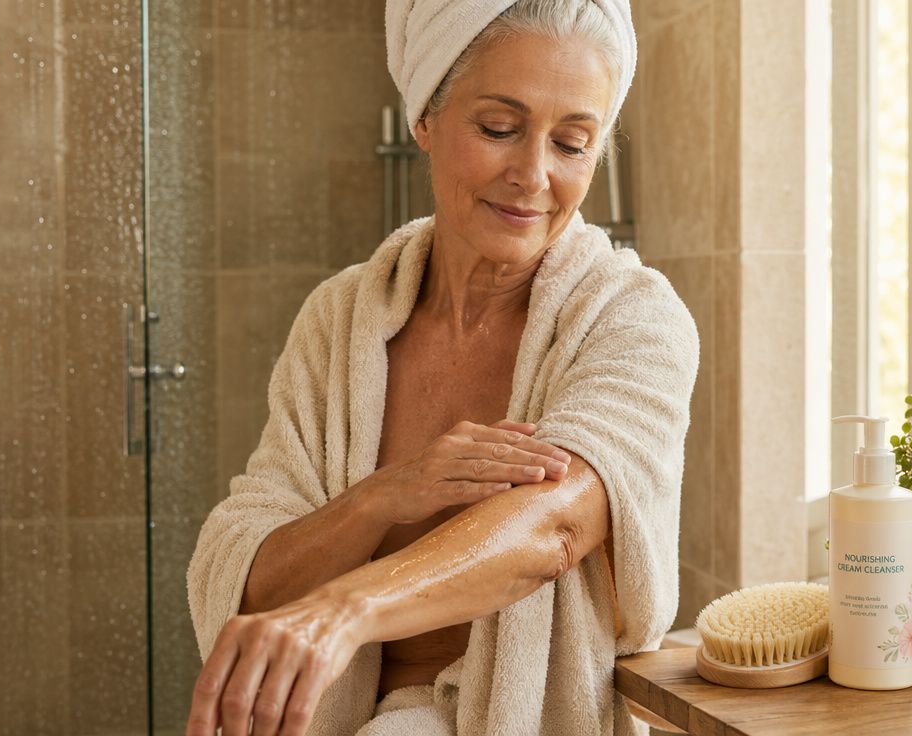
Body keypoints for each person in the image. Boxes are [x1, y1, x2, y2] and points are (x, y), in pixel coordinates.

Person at [185, 1, 699, 734]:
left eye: (572, 143)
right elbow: (252, 581)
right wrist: (380, 497)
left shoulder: (632, 318)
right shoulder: (341, 320)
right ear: (425, 117)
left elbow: (556, 525)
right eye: (498, 129)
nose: (534, 175)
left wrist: (347, 608)